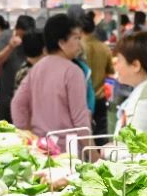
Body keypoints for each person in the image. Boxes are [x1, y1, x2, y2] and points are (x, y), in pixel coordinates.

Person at [11, 13, 91, 150]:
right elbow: (80, 120)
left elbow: (17, 104)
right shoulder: (73, 71)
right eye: (76, 38)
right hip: (67, 149)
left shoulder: (37, 68)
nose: (80, 44)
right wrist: (92, 152)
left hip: (40, 146)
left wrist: (26, 134)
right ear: (62, 43)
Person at [81, 13, 115, 138]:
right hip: (100, 98)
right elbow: (110, 71)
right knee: (101, 136)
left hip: (83, 99)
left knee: (83, 135)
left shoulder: (78, 49)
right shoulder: (104, 48)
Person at [0, 15, 32, 123]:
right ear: (17, 29)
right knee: (5, 123)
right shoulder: (6, 35)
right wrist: (10, 46)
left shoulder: (31, 37)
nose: (24, 37)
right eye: (23, 34)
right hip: (7, 90)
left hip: (25, 91)